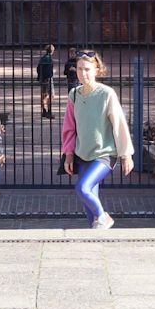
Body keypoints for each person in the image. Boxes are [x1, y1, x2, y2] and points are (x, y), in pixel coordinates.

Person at [61, 50, 133, 230]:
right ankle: (96, 236)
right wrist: (68, 154)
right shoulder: (74, 95)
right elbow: (69, 127)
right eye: (79, 69)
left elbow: (119, 124)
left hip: (104, 153)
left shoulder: (106, 94)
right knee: (89, 206)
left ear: (96, 70)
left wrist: (126, 154)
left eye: (87, 69)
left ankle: (104, 216)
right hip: (83, 153)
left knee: (83, 188)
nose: (83, 73)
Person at [36, 43, 55, 118]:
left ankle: (44, 111)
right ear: (52, 51)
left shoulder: (43, 57)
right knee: (50, 95)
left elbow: (38, 68)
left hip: (43, 78)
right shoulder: (48, 58)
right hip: (48, 78)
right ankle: (48, 112)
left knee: (44, 95)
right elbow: (48, 70)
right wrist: (50, 74)